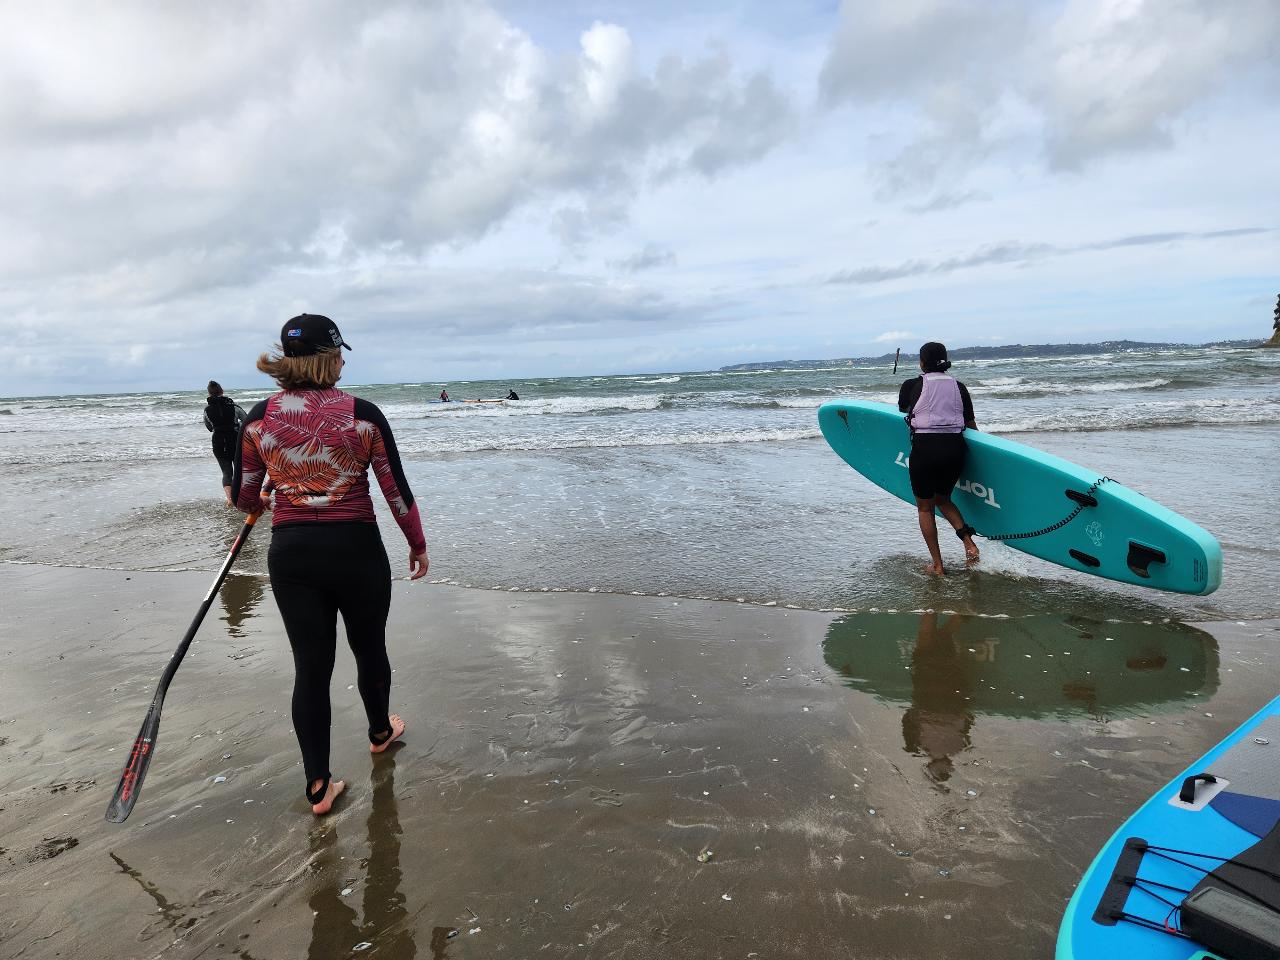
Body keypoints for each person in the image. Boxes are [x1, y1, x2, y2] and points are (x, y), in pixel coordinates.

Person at [231, 313, 429, 816]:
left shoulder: (256, 419)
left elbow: (245, 496)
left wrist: (275, 488)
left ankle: (318, 787)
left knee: (311, 668)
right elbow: (395, 493)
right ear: (328, 358)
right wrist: (417, 544)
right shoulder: (363, 415)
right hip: (355, 549)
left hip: (293, 553)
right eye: (340, 353)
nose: (343, 361)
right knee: (369, 647)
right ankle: (380, 732)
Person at [897, 341, 980, 575]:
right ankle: (969, 544)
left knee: (925, 508)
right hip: (955, 450)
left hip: (925, 450)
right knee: (944, 499)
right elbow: (971, 424)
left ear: (921, 362)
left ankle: (938, 565)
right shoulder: (959, 386)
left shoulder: (911, 385)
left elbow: (905, 409)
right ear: (944, 361)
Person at [203, 381, 247, 505]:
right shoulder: (234, 407)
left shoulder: (207, 410)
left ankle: (230, 499)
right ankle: (241, 495)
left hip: (218, 442)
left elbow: (209, 427)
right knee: (240, 471)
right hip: (235, 441)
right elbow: (246, 420)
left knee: (226, 472)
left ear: (209, 393)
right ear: (222, 391)